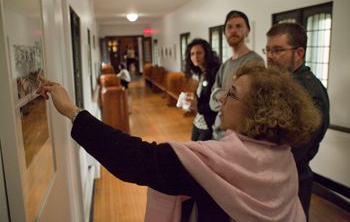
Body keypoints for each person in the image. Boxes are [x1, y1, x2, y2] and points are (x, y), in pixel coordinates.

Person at [36, 61, 321, 221]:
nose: (221, 98)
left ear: (257, 113)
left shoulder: (216, 164)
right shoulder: (282, 156)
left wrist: (73, 112)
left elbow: (136, 159)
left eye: (231, 94)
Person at [264, 22, 330, 220]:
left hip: (291, 177)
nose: (269, 56)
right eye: (267, 50)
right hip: (276, 176)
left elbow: (293, 150)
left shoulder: (308, 92)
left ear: (299, 53)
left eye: (277, 50)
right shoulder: (287, 83)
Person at [209, 10, 264, 141]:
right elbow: (213, 101)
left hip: (239, 139)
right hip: (217, 134)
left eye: (239, 26)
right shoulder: (225, 65)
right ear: (225, 32)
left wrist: (221, 94)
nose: (234, 30)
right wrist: (230, 96)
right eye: (229, 27)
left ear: (247, 31)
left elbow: (249, 103)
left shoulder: (255, 62)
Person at [183, 38, 221, 141]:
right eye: (192, 54)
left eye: (199, 53)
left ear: (207, 54)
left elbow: (218, 102)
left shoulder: (215, 72)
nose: (195, 57)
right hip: (198, 121)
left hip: (209, 124)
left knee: (198, 156)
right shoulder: (201, 73)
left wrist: (198, 106)